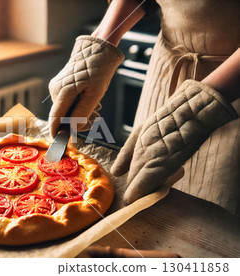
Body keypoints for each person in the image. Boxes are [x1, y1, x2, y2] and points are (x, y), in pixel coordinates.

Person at [48, 0, 240, 214]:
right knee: (142, 204)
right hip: (168, 65)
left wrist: (196, 110)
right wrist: (98, 46)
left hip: (231, 93)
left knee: (216, 220)